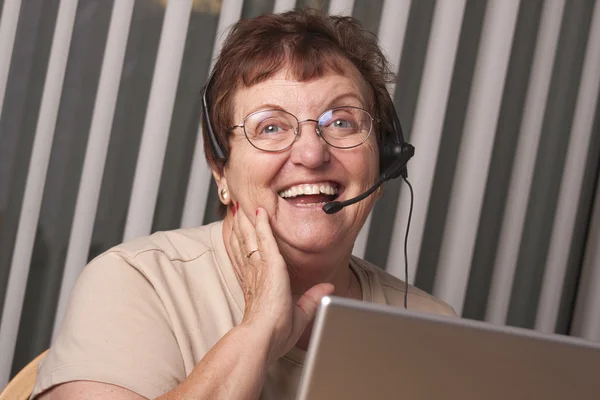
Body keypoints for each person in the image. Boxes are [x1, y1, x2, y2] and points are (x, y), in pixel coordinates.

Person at [32, 9, 455, 400]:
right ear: (221, 169)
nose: (311, 154)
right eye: (271, 127)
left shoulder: (433, 326)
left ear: (383, 160)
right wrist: (258, 330)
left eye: (341, 122)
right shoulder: (138, 282)